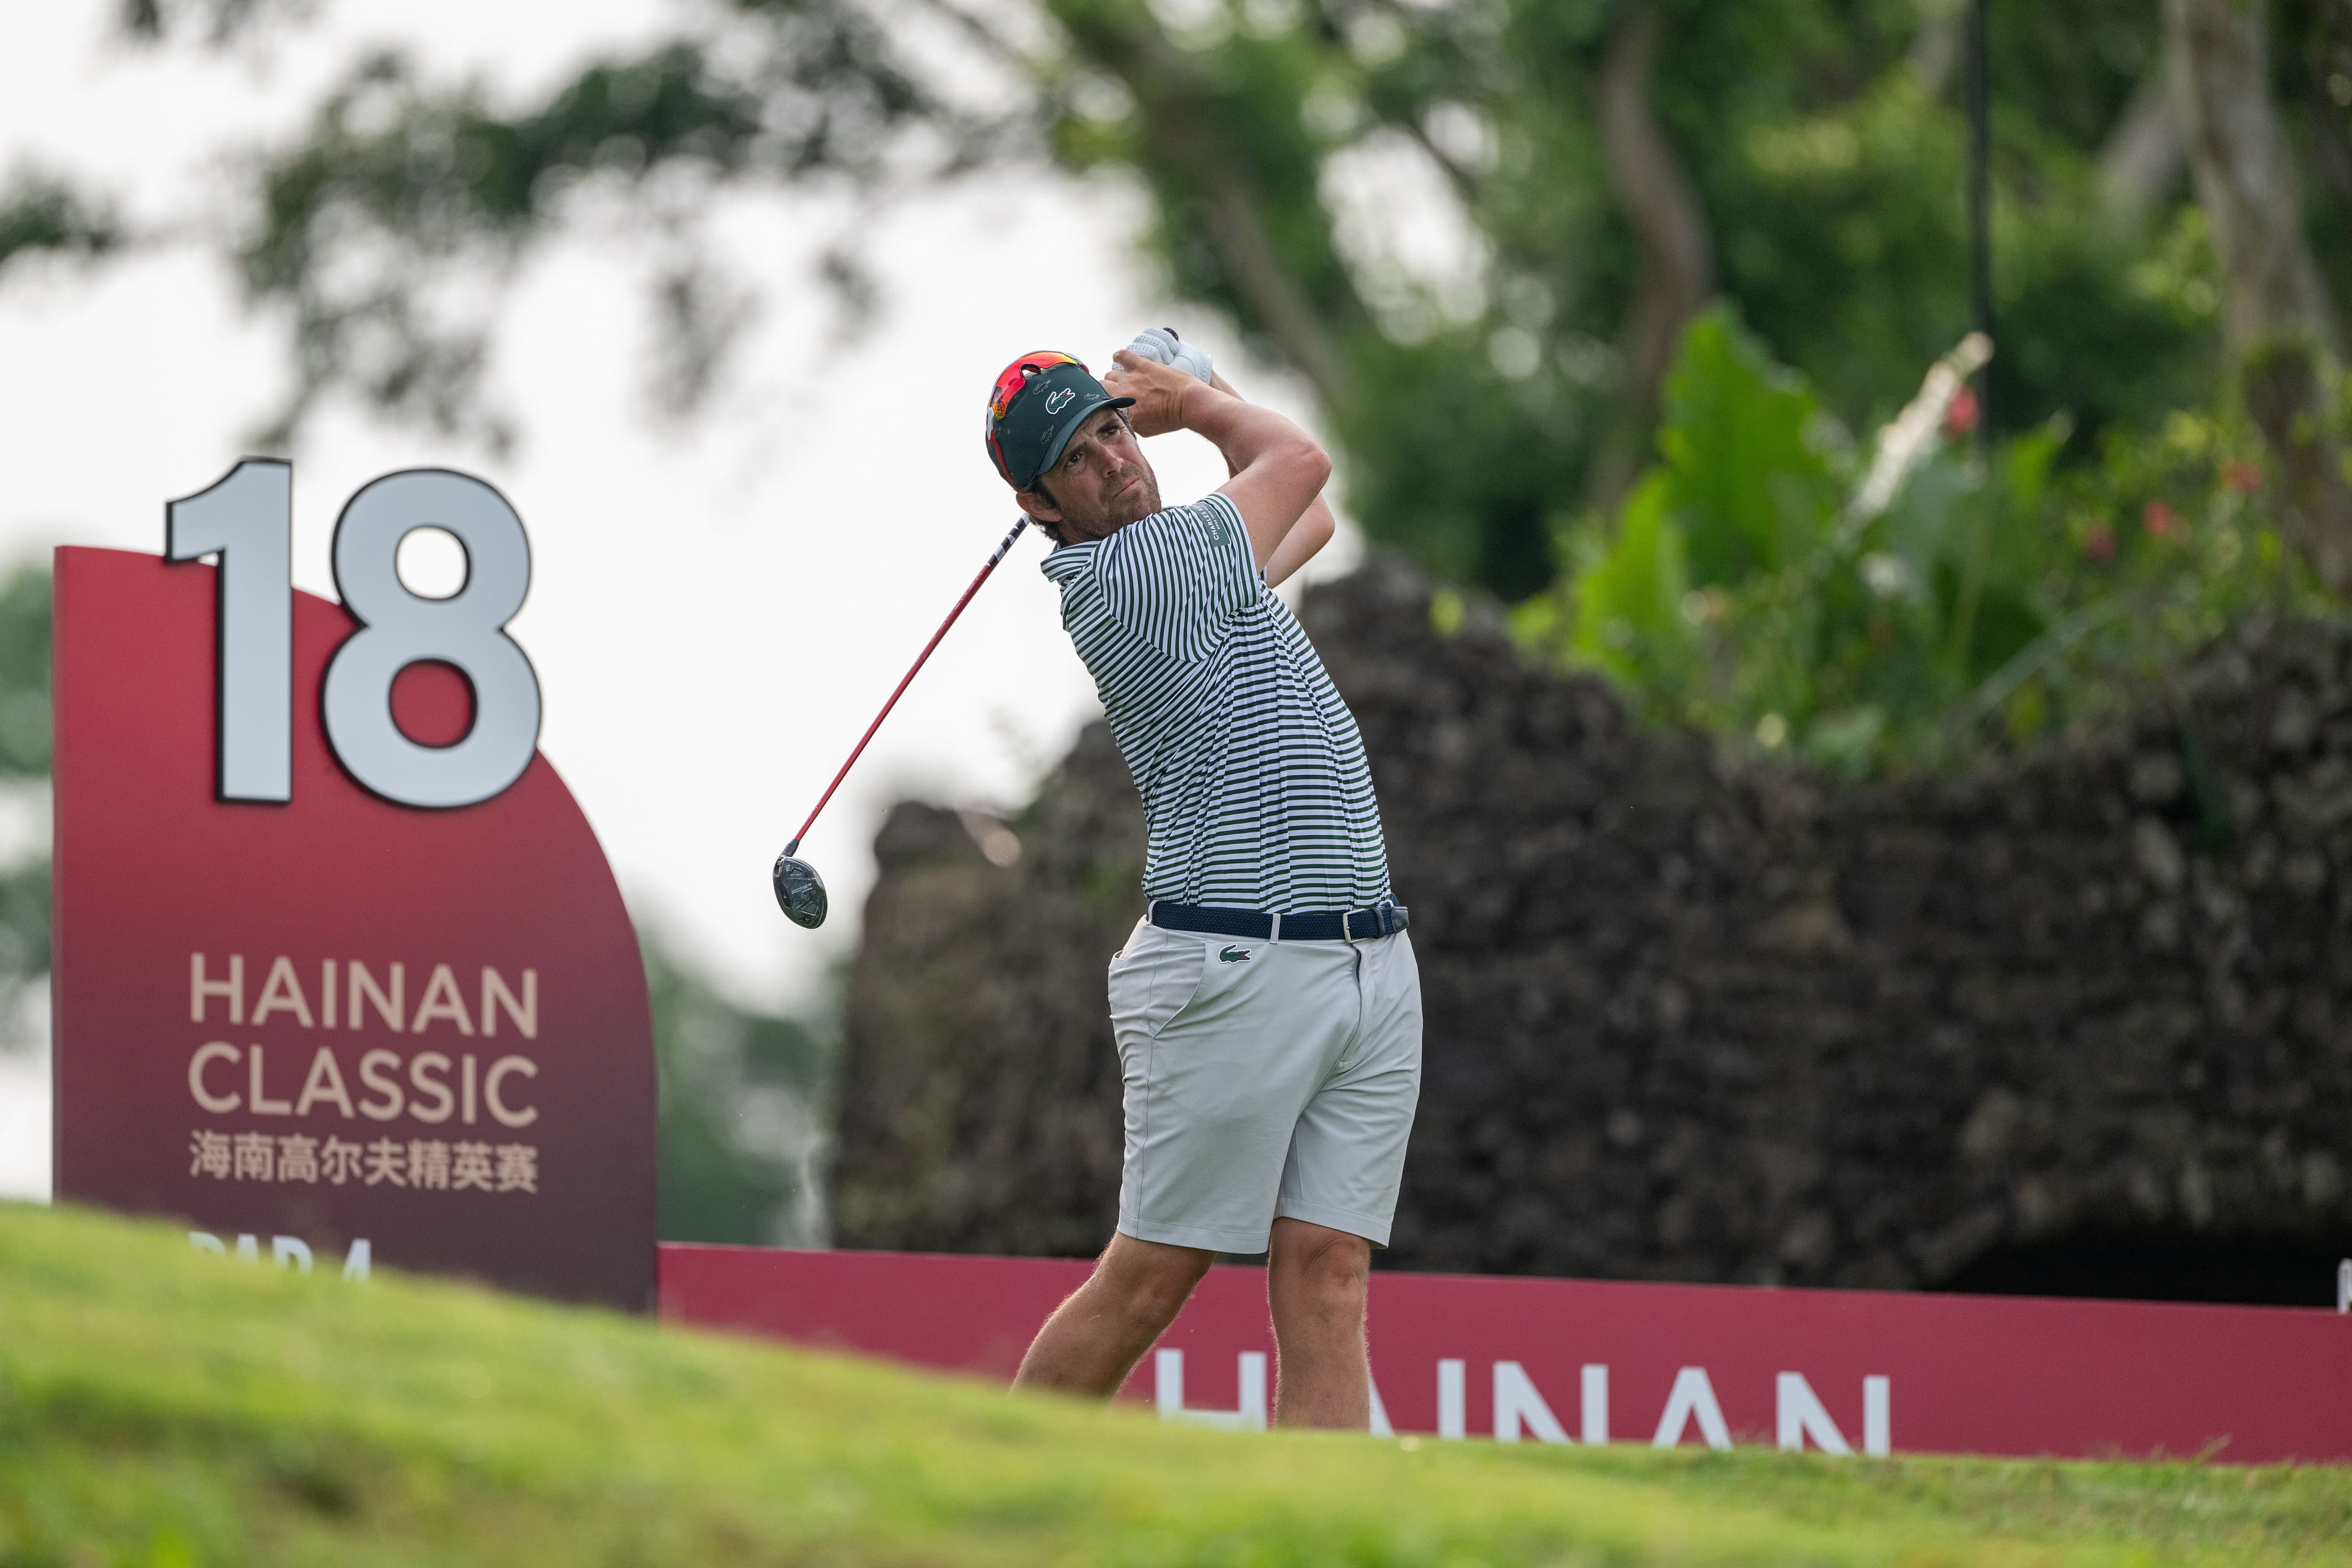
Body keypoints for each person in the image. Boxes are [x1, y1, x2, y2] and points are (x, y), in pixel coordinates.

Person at [983, 344, 1422, 1430]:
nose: (1116, 464)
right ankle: (988, 1504)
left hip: (1366, 959)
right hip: (1230, 966)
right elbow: (1302, 460)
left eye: (1115, 432)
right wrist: (1197, 401)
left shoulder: (1197, 555)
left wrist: (1206, 400)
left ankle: (1322, 1542)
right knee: (1150, 1278)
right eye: (1078, 462)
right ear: (1040, 504)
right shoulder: (1131, 578)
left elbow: (1306, 516)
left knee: (1328, 1272)